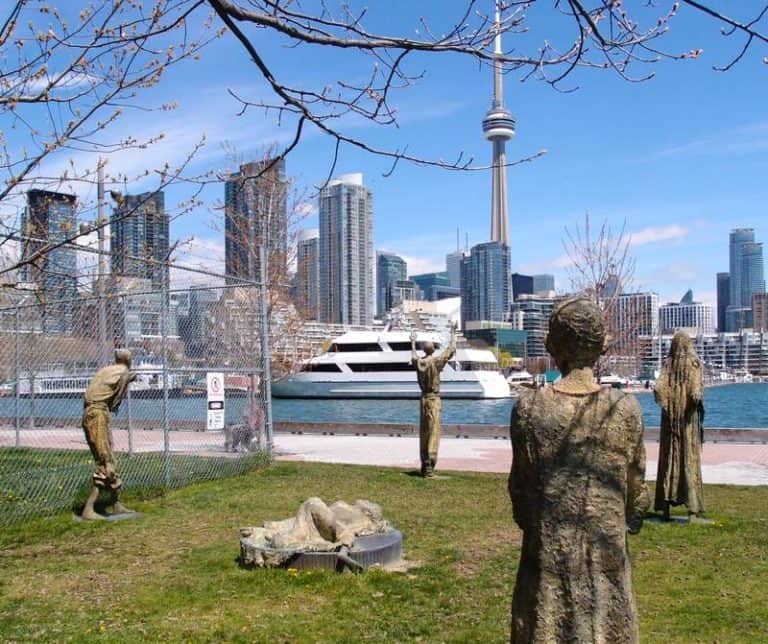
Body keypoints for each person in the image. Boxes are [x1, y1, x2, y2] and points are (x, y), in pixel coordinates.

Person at [509, 298, 649, 643]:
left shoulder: (529, 408)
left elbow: (520, 491)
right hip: (605, 553)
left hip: (547, 554)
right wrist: (627, 517)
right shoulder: (625, 408)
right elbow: (636, 492)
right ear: (601, 346)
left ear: (553, 347)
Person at [654, 331, 706, 521]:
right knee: (688, 457)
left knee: (669, 458)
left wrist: (667, 403)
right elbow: (695, 392)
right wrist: (693, 400)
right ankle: (692, 508)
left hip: (671, 422)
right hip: (686, 422)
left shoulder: (668, 364)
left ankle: (666, 506)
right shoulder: (693, 364)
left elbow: (658, 388)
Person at [80, 349, 137, 520]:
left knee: (109, 458)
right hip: (98, 414)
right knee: (105, 461)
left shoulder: (106, 369)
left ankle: (116, 503)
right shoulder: (124, 371)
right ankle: (88, 509)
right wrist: (128, 379)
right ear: (128, 360)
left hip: (90, 412)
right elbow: (116, 401)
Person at [410, 323, 457, 478]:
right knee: (433, 431)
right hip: (433, 399)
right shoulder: (436, 362)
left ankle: (425, 464)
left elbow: (414, 357)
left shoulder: (420, 363)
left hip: (423, 399)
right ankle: (429, 466)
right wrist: (453, 332)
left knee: (424, 431)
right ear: (433, 350)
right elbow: (451, 350)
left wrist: (412, 342)